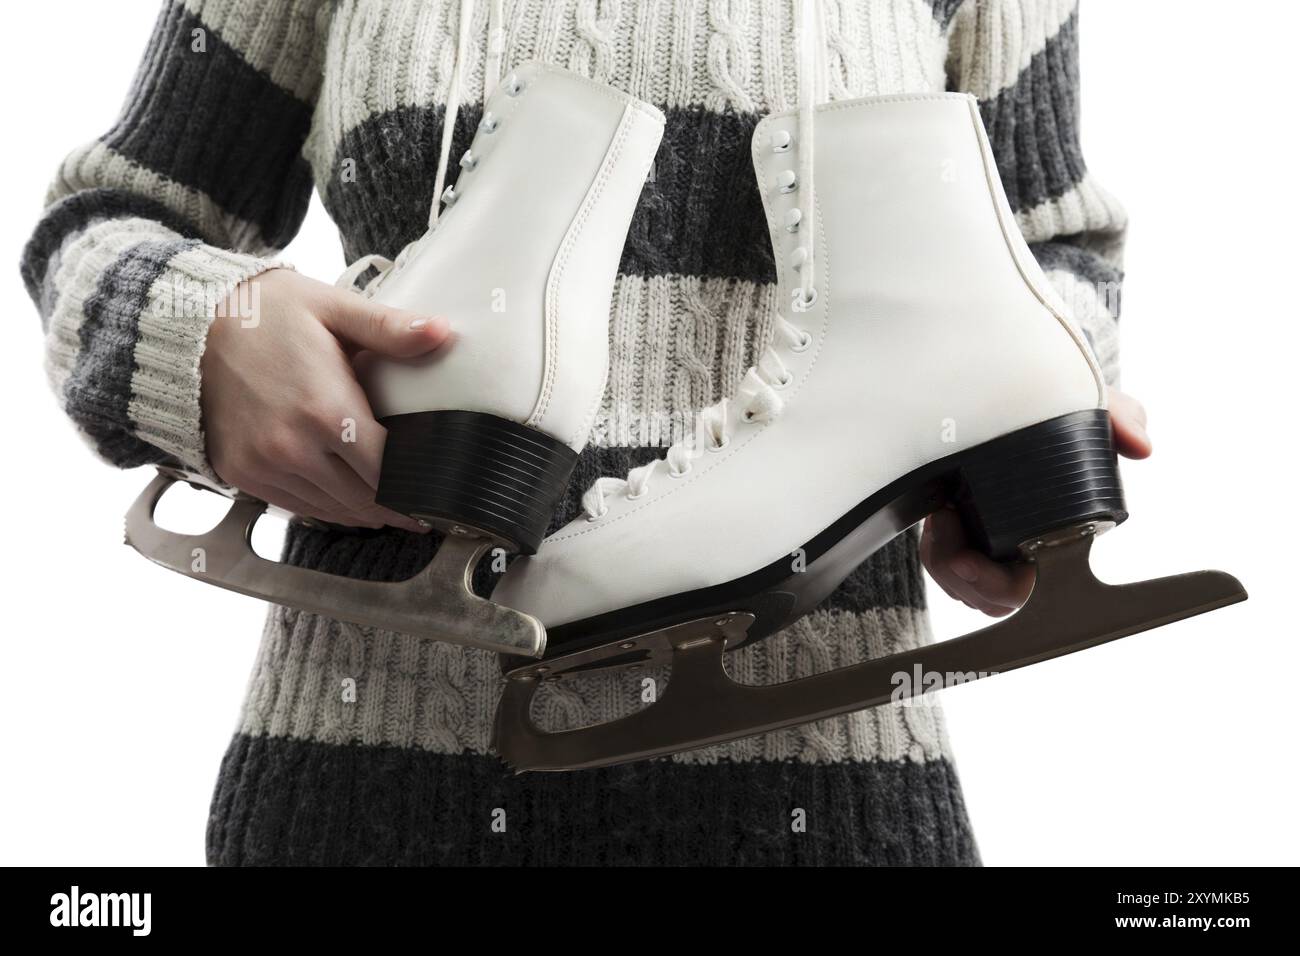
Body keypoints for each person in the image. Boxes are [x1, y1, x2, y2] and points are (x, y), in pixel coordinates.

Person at [21, 0, 1147, 865]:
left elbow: (1050, 251)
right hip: (359, 778)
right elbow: (113, 217)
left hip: (837, 789)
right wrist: (213, 330)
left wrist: (1015, 426)